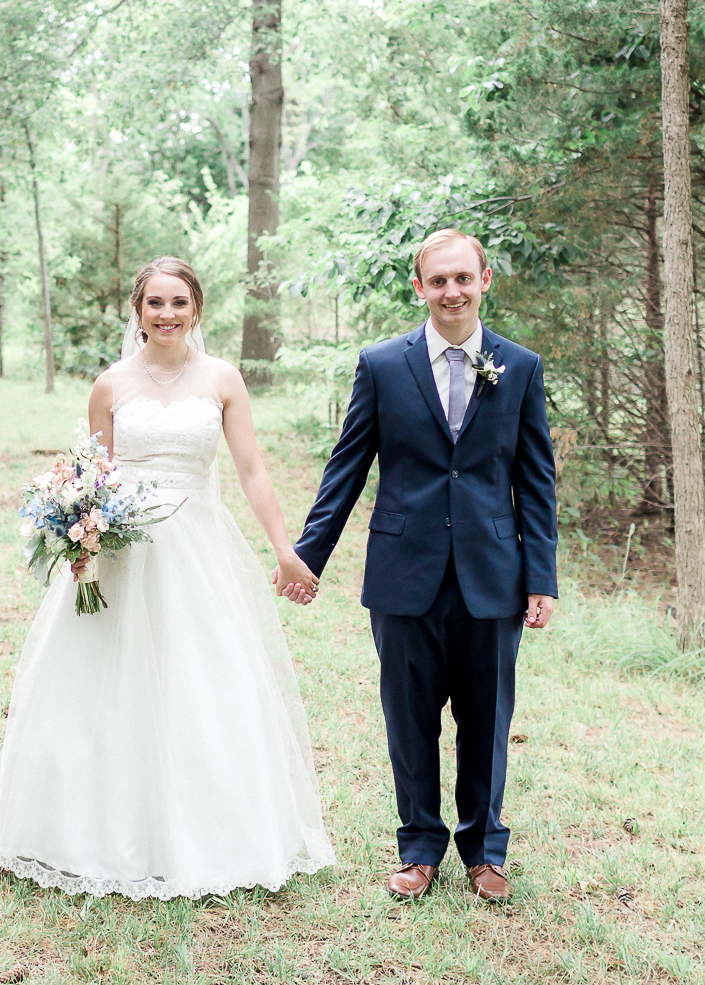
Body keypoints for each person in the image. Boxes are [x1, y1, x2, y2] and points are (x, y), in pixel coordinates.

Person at [0, 256, 333, 899]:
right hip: (120, 549)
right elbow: (91, 473)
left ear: (196, 310)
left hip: (196, 547)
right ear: (137, 312)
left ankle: (208, 830)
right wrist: (75, 536)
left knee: (203, 678)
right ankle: (89, 827)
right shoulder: (109, 385)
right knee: (106, 680)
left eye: (179, 303)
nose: (167, 314)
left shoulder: (223, 379)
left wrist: (284, 547)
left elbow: (251, 470)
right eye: (155, 303)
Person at [294, 228, 557, 903]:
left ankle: (484, 850)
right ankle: (418, 848)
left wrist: (541, 578)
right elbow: (347, 467)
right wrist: (309, 555)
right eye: (437, 280)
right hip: (403, 573)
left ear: (485, 280)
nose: (451, 291)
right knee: (408, 719)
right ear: (419, 288)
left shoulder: (519, 367)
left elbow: (537, 480)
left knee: (487, 720)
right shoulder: (382, 365)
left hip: (493, 574)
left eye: (462, 278)